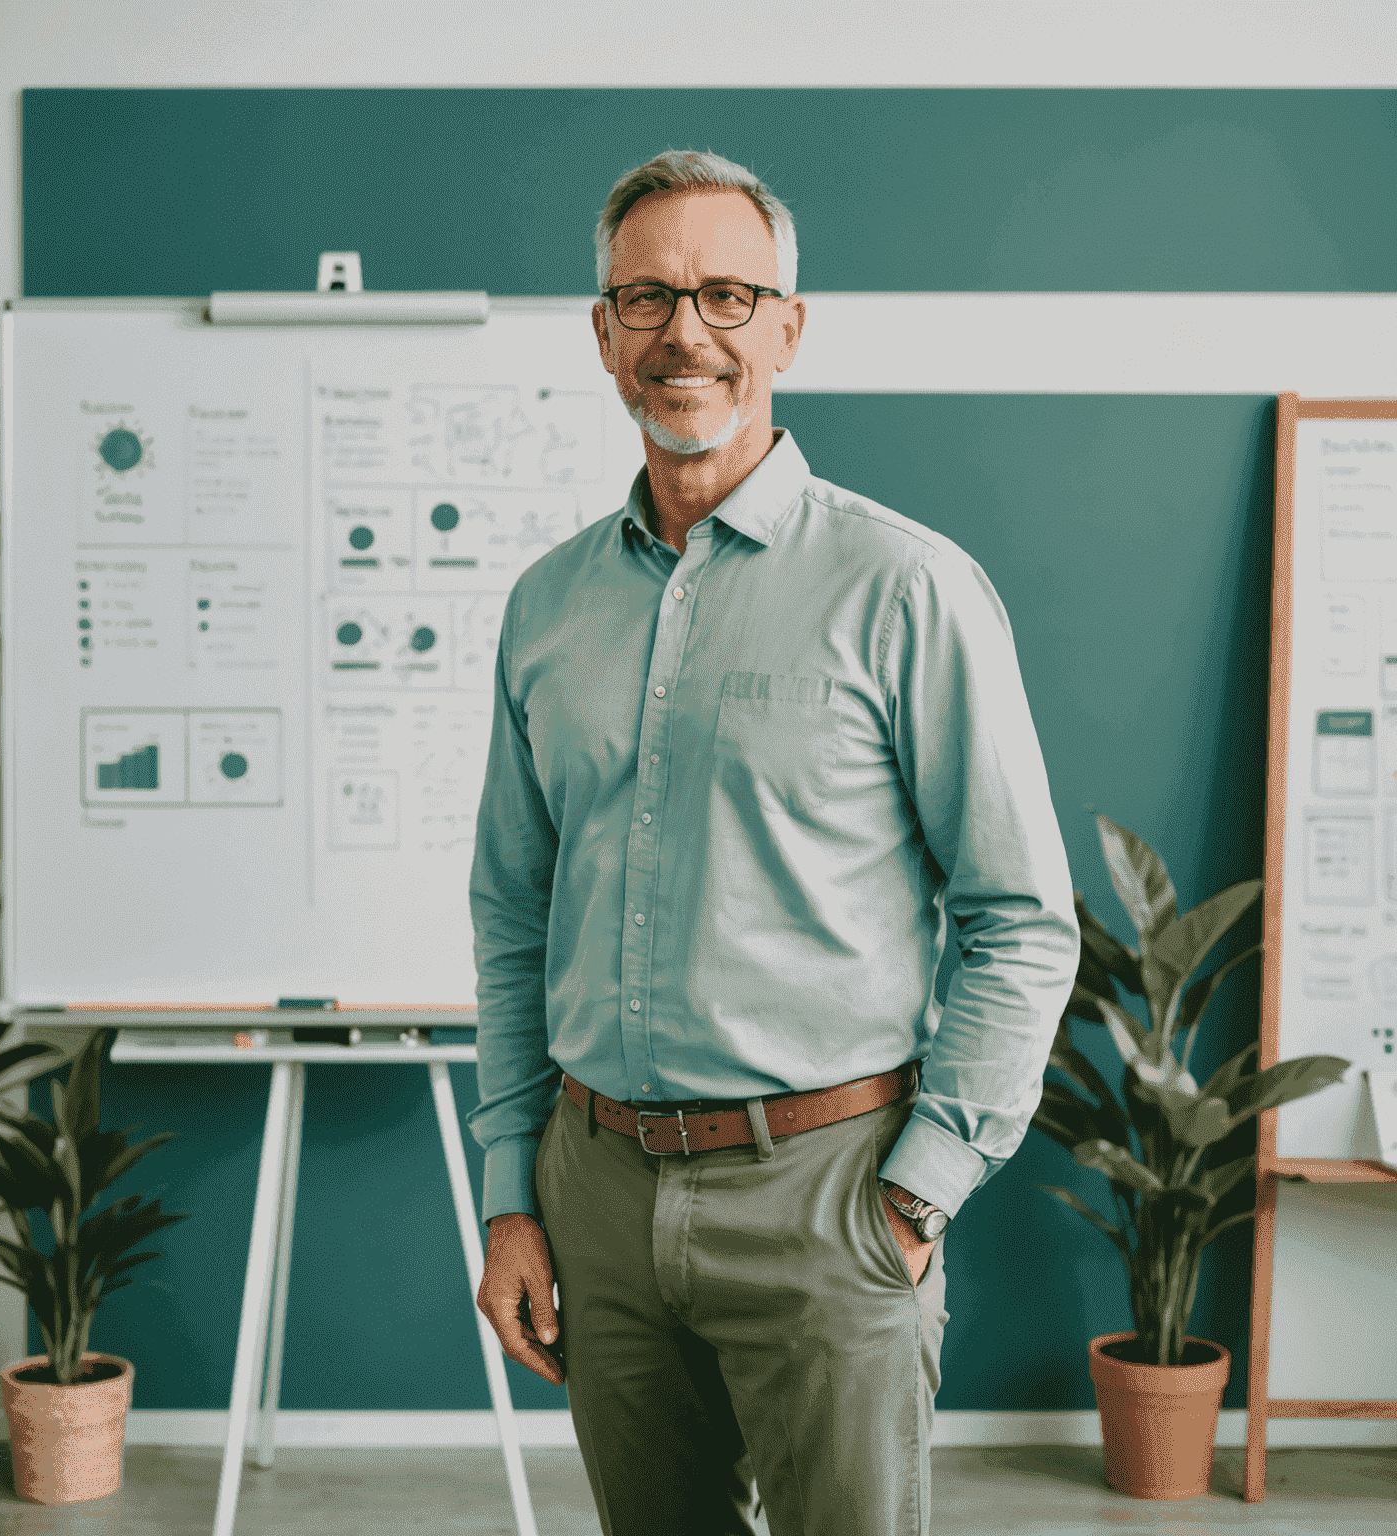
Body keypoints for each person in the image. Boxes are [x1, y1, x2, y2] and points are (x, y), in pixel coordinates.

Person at [467, 149, 1080, 1536]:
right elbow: (514, 914)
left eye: (727, 294)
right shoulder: (545, 607)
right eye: (646, 297)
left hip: (829, 1198)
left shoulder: (907, 588)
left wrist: (919, 1194)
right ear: (605, 333)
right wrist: (515, 1195)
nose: (686, 331)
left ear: (787, 328)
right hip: (596, 1198)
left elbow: (1022, 916)